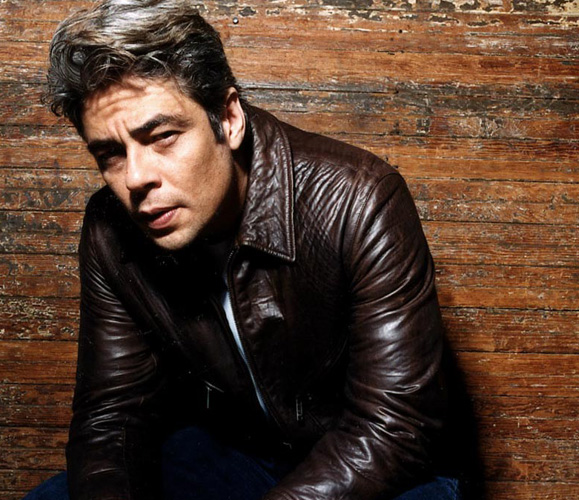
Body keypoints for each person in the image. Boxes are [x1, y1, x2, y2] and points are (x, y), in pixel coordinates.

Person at [25, 0, 463, 498]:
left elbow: (397, 424)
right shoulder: (111, 227)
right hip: (240, 453)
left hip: (382, 462)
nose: (136, 178)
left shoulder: (357, 198)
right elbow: (113, 416)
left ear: (229, 118)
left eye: (163, 137)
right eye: (110, 153)